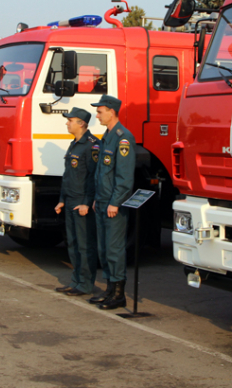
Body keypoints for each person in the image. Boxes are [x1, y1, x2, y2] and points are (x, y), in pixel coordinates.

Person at [88, 95, 136, 310]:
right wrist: (97, 199)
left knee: (114, 249)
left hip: (113, 204)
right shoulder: (106, 137)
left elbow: (124, 177)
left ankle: (118, 294)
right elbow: (101, 173)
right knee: (104, 248)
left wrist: (115, 202)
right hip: (102, 201)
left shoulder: (123, 138)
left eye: (100, 111)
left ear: (111, 111)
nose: (97, 115)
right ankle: (109, 289)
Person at [54, 107, 99, 297]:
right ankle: (76, 281)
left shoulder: (92, 145)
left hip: (82, 203)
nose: (67, 123)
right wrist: (62, 200)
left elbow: (93, 177)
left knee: (84, 245)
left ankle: (86, 284)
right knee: (72, 244)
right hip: (71, 200)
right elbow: (68, 176)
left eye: (70, 120)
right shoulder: (75, 144)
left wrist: (87, 203)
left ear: (81, 123)